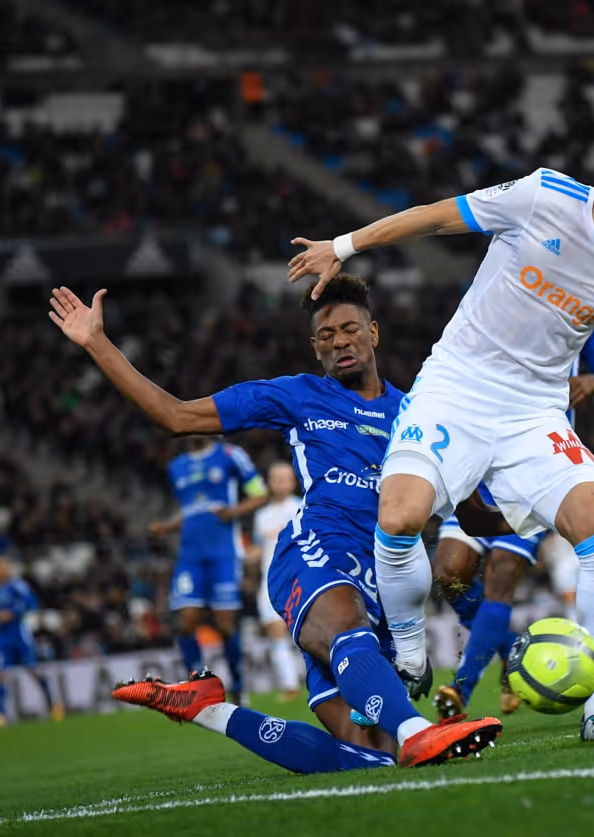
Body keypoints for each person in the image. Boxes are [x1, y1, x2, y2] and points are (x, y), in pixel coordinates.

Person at [288, 131, 594, 741]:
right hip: (456, 388)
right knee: (399, 517)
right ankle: (410, 654)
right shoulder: (542, 196)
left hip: (534, 413)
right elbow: (436, 218)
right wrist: (344, 246)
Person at [48, 275, 504, 771]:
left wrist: (546, 507)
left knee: (373, 760)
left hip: (383, 583)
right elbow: (176, 416)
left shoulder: (416, 415)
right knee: (352, 637)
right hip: (314, 552)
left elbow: (473, 514)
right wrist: (97, 343)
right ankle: (418, 730)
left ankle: (208, 708)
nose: (339, 342)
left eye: (350, 329)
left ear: (373, 333)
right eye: (326, 336)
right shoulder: (297, 396)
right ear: (315, 348)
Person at [431, 324, 594, 718]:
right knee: (450, 574)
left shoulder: (579, 312)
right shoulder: (494, 307)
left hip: (536, 468)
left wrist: (591, 381)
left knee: (501, 577)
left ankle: (461, 688)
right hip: (479, 461)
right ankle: (511, 650)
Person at [149, 435, 269, 705]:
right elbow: (190, 511)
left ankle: (238, 684)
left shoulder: (230, 455)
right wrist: (166, 527)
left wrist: (233, 511)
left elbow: (260, 493)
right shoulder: (177, 466)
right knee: (186, 620)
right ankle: (199, 687)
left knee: (225, 623)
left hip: (223, 553)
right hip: (190, 555)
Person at [247, 462, 305, 699]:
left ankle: (325, 678)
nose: (280, 484)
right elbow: (259, 548)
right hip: (271, 581)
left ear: (293, 482)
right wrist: (243, 557)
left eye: (285, 479)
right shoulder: (262, 516)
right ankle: (290, 686)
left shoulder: (302, 506)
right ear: (269, 483)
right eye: (275, 479)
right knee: (275, 631)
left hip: (300, 577)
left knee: (307, 631)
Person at [0, 556, 64, 726]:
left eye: (4, 567)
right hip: (2, 638)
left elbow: (31, 603)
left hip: (19, 635)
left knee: (33, 669)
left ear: (9, 569)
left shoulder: (17, 586)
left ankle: (53, 704)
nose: (1, 570)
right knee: (0, 673)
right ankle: (0, 713)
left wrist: (12, 613)